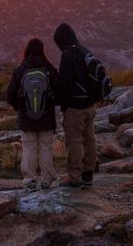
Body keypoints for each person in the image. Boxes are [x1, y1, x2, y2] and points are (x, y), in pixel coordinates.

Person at [5, 38, 59, 190]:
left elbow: (9, 95)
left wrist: (19, 107)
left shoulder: (20, 70)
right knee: (46, 148)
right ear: (43, 50)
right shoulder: (49, 69)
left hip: (26, 119)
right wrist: (50, 105)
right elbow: (60, 91)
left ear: (27, 50)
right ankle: (47, 179)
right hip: (47, 118)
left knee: (28, 148)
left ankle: (30, 180)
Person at [53, 23, 101, 188]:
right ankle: (88, 173)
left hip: (75, 106)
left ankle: (74, 177)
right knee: (90, 139)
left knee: (74, 141)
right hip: (91, 105)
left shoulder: (68, 54)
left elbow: (64, 84)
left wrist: (63, 105)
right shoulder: (84, 50)